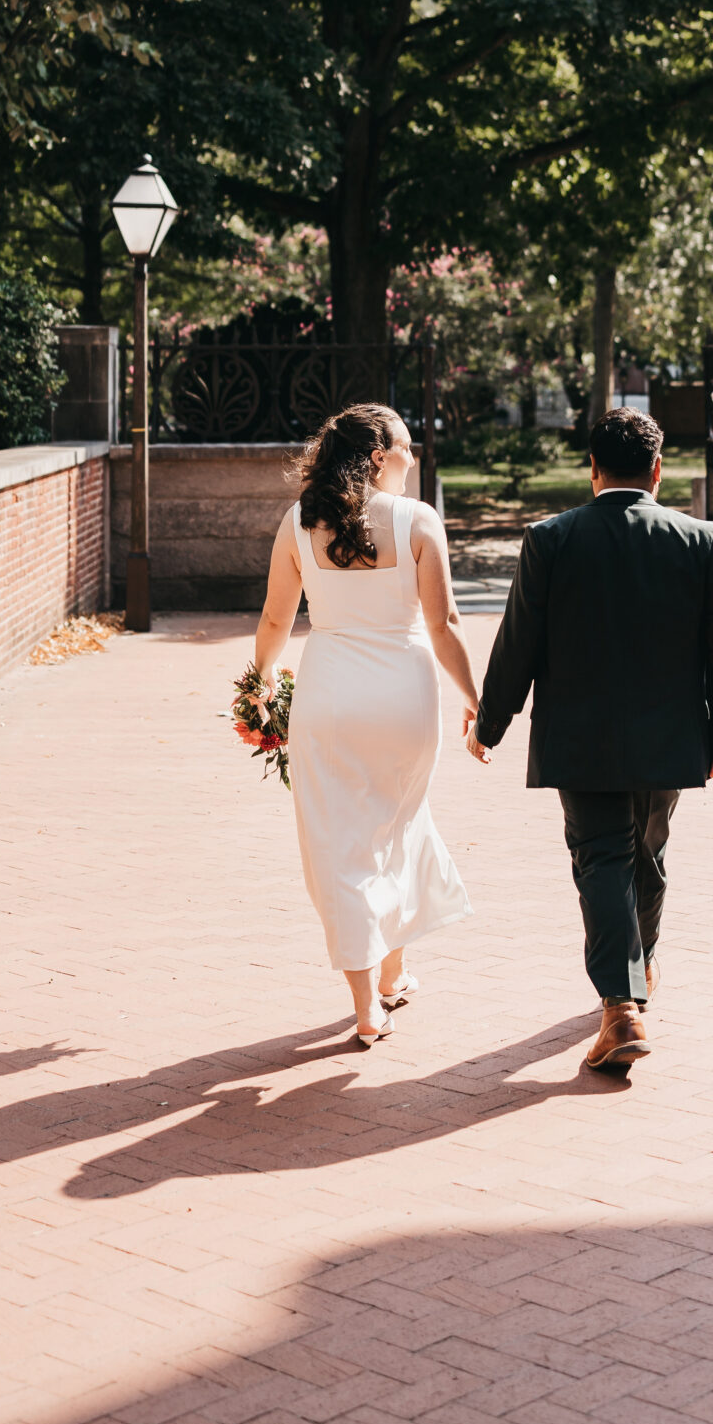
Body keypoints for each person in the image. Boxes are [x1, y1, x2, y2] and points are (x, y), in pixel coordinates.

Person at [466, 406, 713, 1074]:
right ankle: (637, 974)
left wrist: (490, 723)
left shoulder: (551, 538)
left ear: (591, 469)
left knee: (600, 859)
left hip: (579, 738)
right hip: (671, 736)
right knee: (647, 854)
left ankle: (620, 1004)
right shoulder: (699, 538)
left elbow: (518, 644)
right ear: (656, 470)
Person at [252, 403, 477, 1047]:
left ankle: (367, 1003)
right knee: (398, 822)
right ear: (380, 454)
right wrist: (474, 697)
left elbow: (275, 621)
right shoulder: (417, 522)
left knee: (340, 843)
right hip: (405, 698)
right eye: (409, 447)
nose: (415, 458)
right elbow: (444, 626)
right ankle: (392, 974)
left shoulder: (298, 524)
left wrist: (261, 680)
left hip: (328, 697)